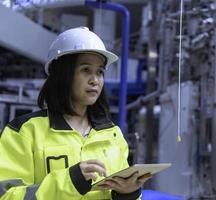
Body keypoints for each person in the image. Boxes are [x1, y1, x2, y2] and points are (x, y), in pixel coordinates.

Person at [0, 27, 150, 199]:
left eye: (100, 72)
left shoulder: (112, 134)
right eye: (86, 70)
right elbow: (6, 196)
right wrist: (69, 182)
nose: (95, 80)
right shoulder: (25, 132)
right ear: (63, 74)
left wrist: (128, 193)